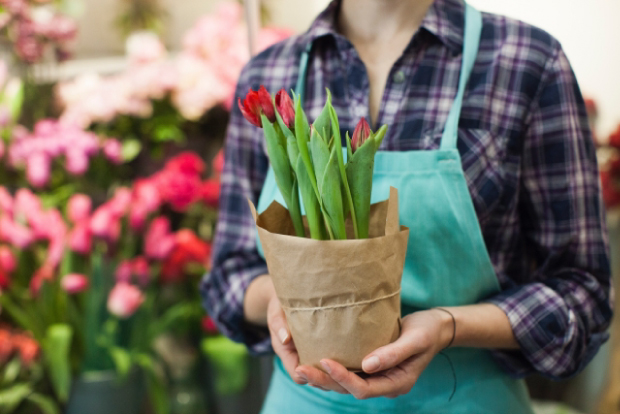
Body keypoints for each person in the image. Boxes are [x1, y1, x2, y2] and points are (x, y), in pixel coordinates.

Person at [201, 0, 613, 412]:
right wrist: (287, 301)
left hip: (464, 397)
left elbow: (583, 294)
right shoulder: (271, 72)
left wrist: (448, 326)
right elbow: (229, 275)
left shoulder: (526, 62)